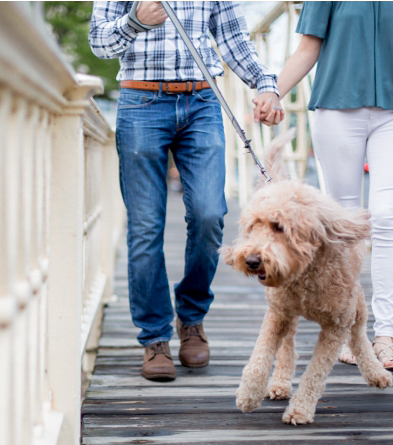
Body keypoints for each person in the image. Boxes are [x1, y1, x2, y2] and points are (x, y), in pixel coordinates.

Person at [89, 1, 283, 381]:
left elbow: (233, 39)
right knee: (145, 226)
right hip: (141, 100)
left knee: (211, 213)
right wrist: (134, 22)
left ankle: (191, 318)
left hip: (202, 101)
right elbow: (99, 42)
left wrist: (265, 85)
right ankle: (155, 337)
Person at [261, 1, 393, 371]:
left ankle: (384, 336)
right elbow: (308, 48)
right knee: (345, 222)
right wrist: (272, 92)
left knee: (387, 216)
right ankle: (349, 327)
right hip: (338, 111)